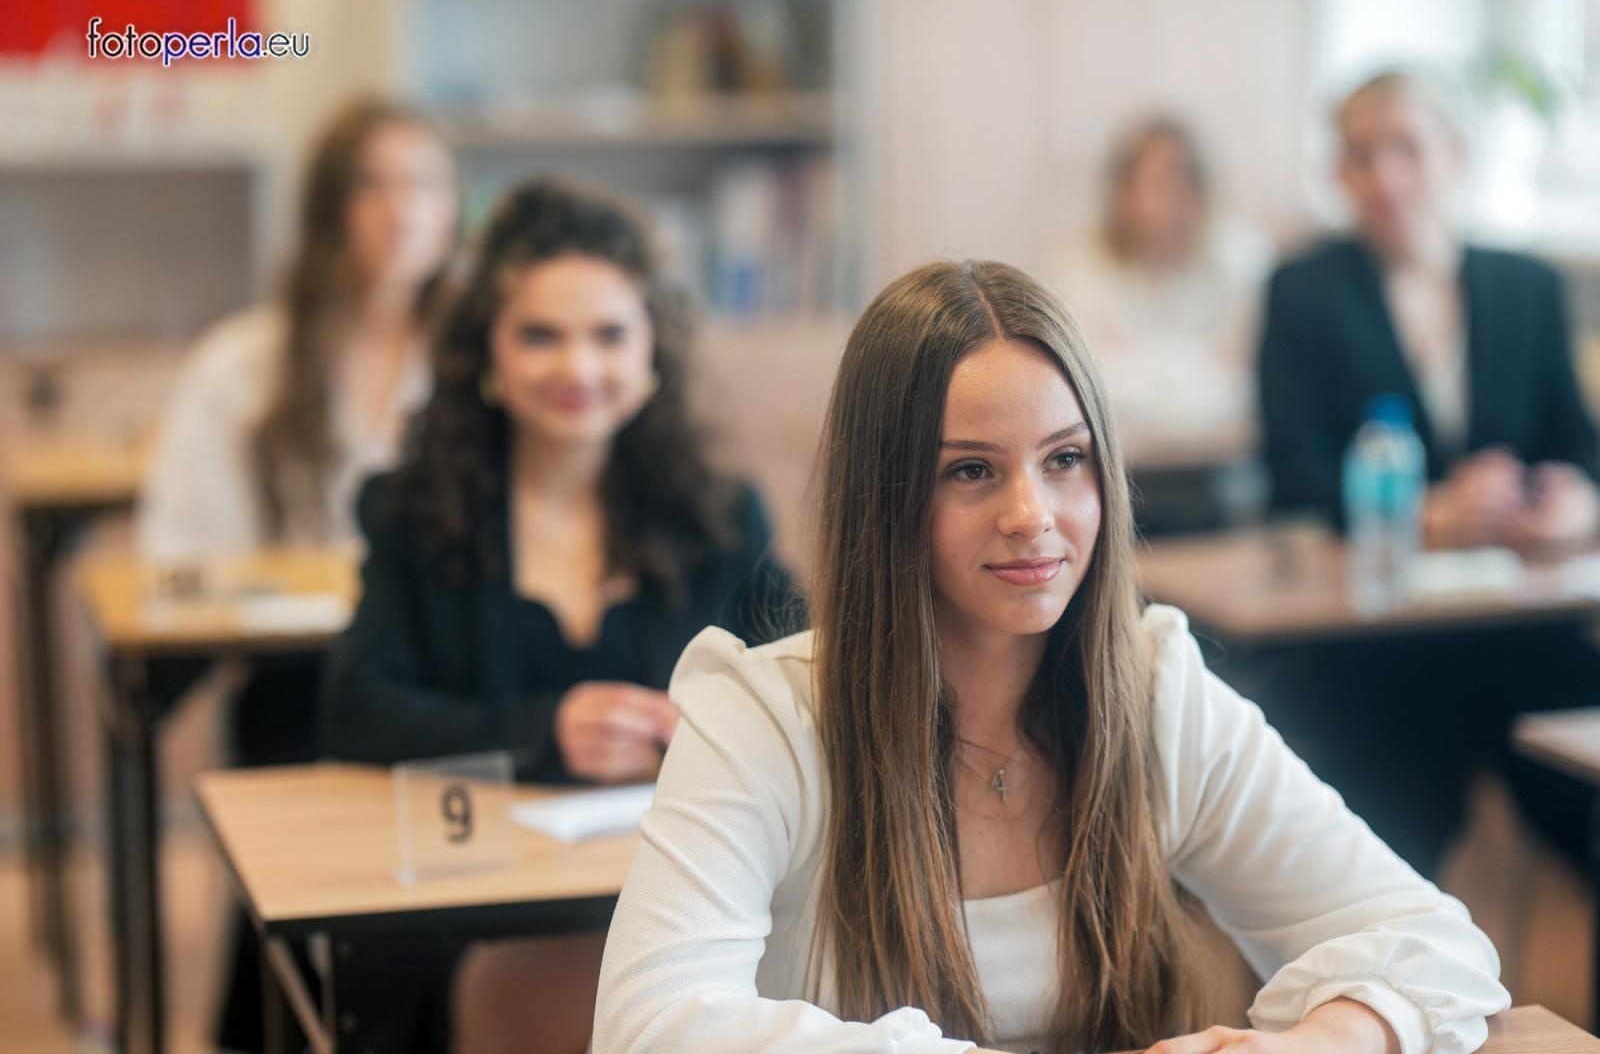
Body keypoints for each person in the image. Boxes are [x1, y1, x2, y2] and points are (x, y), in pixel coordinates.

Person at [593, 259, 1508, 1054]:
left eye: (1065, 459)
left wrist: (1322, 1038)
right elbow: (650, 1028)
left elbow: (1436, 941)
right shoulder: (764, 719)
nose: (1032, 514)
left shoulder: (1158, 696)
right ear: (885, 497)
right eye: (971, 470)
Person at [318, 176, 794, 1053]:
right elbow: (358, 710)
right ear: (487, 354)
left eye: (609, 335)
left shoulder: (723, 517)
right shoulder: (411, 512)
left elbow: (805, 694)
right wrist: (545, 733)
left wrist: (706, 728)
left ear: (652, 352)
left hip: (690, 897)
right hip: (469, 909)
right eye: (540, 335)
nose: (578, 367)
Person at [134, 96, 459, 1053]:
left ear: (454, 207)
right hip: (296, 672)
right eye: (372, 185)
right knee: (292, 745)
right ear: (327, 210)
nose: (401, 210)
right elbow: (182, 551)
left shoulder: (486, 355)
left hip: (442, 666)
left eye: (424, 184)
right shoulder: (247, 362)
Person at [1255, 67, 1600, 878]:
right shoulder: (1304, 292)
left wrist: (1576, 500)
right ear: (1339, 174)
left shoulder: (1526, 285)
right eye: (1361, 156)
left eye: (1406, 149)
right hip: (1375, 641)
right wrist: (1428, 511)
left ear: (1456, 154)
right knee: (1374, 849)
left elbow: (1578, 446)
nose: (1385, 177)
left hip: (1516, 626)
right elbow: (1294, 481)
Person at [1048, 116, 1271, 468]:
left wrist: (1138, 372)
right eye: (1155, 185)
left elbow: (1249, 390)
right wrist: (1199, 373)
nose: (1168, 204)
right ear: (1122, 192)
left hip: (1224, 466)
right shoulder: (1079, 267)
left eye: (1182, 185)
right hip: (1113, 465)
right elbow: (1084, 388)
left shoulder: (1242, 260)